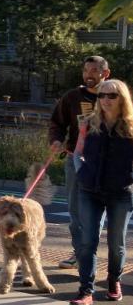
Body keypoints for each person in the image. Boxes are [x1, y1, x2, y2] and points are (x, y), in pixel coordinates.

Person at [69, 79, 133, 305]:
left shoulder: (130, 127)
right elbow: (77, 153)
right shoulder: (88, 123)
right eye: (102, 95)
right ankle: (85, 291)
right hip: (89, 190)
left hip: (121, 193)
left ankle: (114, 280)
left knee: (116, 244)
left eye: (112, 96)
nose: (105, 100)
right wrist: (82, 172)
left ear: (122, 99)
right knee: (87, 242)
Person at [49, 55, 110, 270]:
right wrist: (56, 140)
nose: (88, 75)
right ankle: (80, 253)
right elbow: (57, 122)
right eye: (86, 70)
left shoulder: (114, 95)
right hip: (75, 161)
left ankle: (88, 252)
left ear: (105, 73)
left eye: (94, 70)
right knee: (75, 212)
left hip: (105, 165)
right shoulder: (72, 97)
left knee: (96, 213)